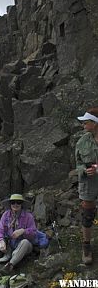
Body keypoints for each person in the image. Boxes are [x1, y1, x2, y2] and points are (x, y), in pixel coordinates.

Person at [0, 194, 37, 287]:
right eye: (13, 202)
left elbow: (34, 232)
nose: (15, 204)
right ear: (10, 204)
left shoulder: (28, 216)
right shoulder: (6, 215)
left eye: (18, 202)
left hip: (25, 245)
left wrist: (23, 231)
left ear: (22, 204)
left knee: (24, 243)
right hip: (10, 245)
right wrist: (1, 241)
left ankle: (10, 265)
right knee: (4, 258)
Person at [75, 108, 98, 265]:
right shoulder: (81, 142)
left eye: (86, 121)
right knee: (88, 213)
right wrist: (84, 170)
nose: (83, 124)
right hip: (89, 183)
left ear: (95, 123)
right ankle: (86, 246)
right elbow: (78, 164)